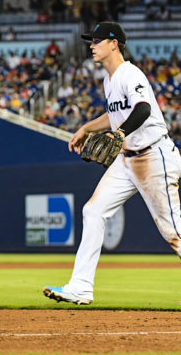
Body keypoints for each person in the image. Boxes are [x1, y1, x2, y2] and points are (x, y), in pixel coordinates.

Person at [43, 21, 181, 305]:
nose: (91, 46)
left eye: (96, 41)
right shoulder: (109, 79)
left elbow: (142, 108)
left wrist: (119, 133)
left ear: (113, 42)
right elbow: (113, 115)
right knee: (93, 211)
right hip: (127, 160)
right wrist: (86, 128)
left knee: (173, 231)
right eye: (91, 41)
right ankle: (80, 287)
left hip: (154, 156)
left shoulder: (129, 73)